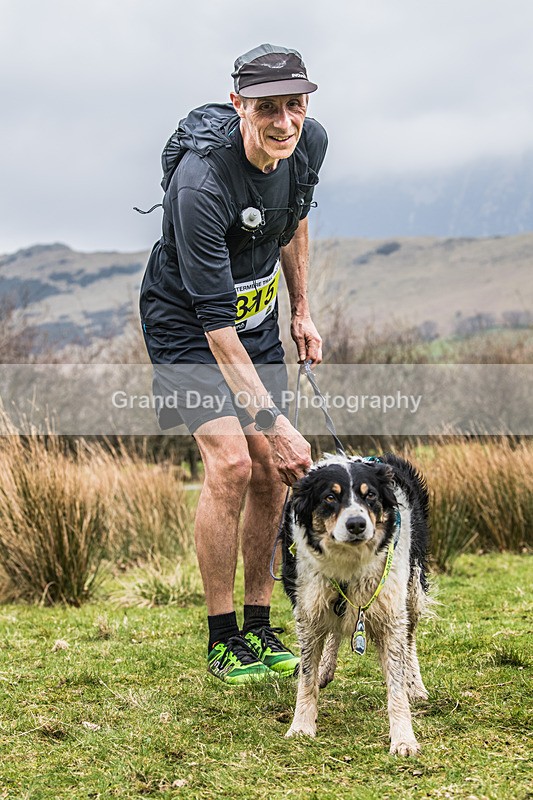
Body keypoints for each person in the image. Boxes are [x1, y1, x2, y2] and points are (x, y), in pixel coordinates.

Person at [139, 43, 328, 684]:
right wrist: (276, 423)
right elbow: (216, 331)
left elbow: (295, 219)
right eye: (267, 108)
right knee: (233, 462)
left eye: (294, 106)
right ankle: (223, 639)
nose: (283, 122)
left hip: (255, 315)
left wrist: (301, 309)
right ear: (238, 105)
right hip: (190, 326)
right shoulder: (201, 186)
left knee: (273, 475)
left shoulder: (307, 143)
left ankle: (259, 626)